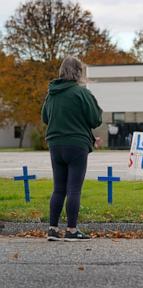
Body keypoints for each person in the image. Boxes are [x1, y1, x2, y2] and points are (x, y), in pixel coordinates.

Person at [41, 56, 103, 241]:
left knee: (58, 188)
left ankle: (52, 229)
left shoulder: (51, 93)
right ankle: (72, 230)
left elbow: (45, 117)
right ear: (78, 72)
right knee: (73, 189)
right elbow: (95, 119)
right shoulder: (81, 93)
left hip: (55, 144)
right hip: (76, 145)